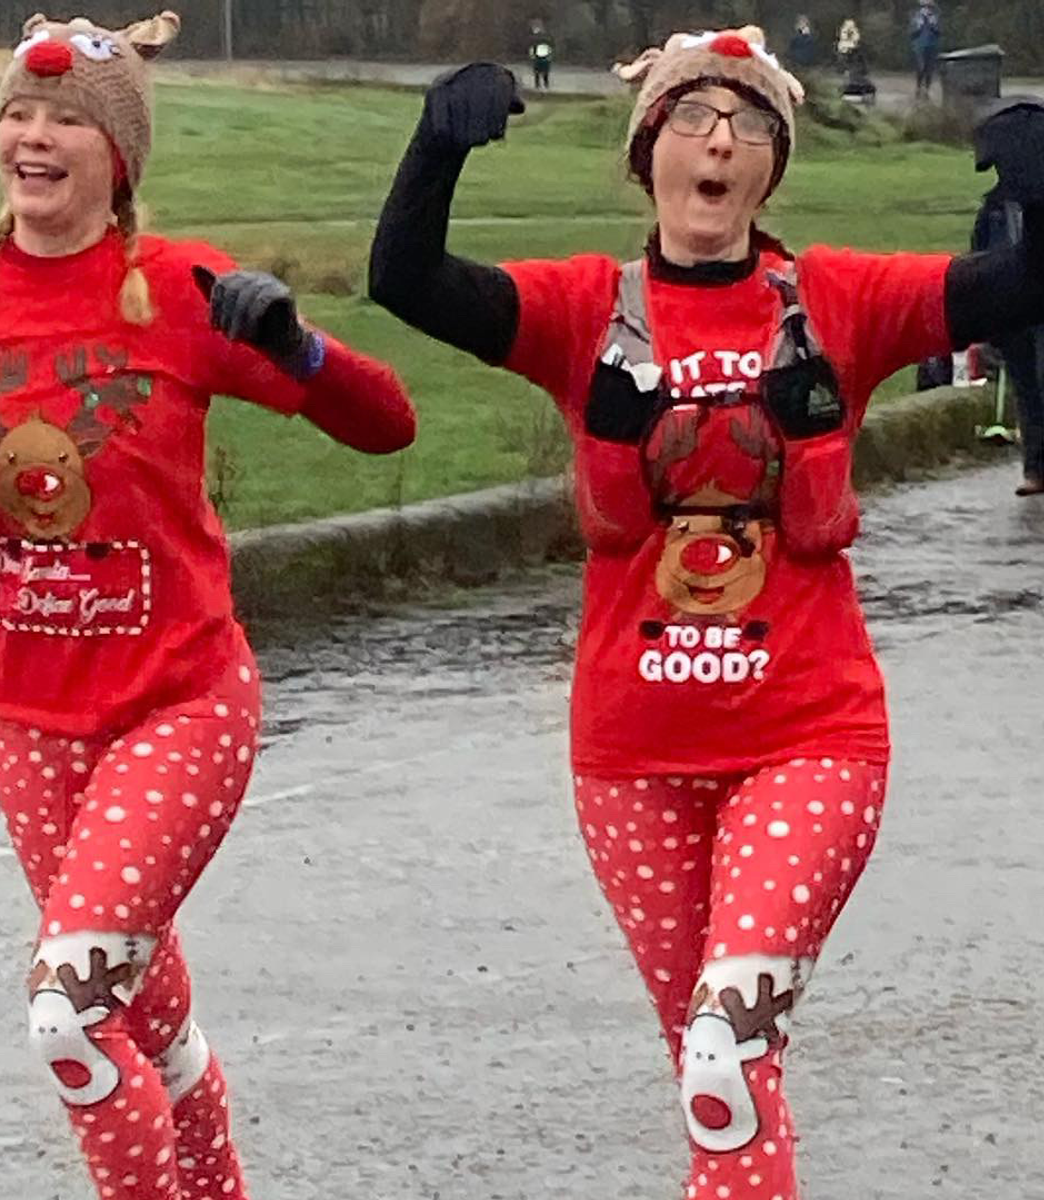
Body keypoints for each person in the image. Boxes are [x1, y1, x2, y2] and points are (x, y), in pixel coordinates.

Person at [368, 25, 1044, 1199]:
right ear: (649, 155)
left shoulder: (840, 298)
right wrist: (435, 147)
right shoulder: (584, 311)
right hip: (630, 757)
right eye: (690, 117)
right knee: (713, 1071)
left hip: (807, 739)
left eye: (745, 123)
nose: (716, 138)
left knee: (725, 1046)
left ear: (772, 163)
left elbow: (1024, 286)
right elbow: (406, 281)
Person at [0, 12, 416, 1200]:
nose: (33, 138)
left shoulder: (182, 291)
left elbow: (385, 422)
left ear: (118, 157)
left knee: (70, 1016)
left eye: (67, 121)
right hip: (32, 725)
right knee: (136, 1004)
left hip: (179, 706)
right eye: (19, 115)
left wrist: (298, 348)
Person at [974, 95, 1044, 495]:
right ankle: (1035, 467)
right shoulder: (995, 207)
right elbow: (979, 255)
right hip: (1013, 308)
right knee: (1027, 386)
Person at [910, 0, 941, 100]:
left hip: (932, 46)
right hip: (919, 46)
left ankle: (926, 90)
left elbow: (939, 32)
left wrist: (934, 26)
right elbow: (911, 33)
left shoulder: (935, 18)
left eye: (929, 7)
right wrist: (918, 27)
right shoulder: (916, 17)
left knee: (929, 70)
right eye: (925, 7)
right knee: (921, 68)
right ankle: (918, 88)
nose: (927, 9)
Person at [529, 19, 553, 91]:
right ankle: (538, 85)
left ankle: (545, 85)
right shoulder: (535, 38)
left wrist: (549, 55)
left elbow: (550, 47)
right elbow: (532, 47)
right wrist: (532, 55)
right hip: (538, 56)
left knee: (544, 73)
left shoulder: (546, 37)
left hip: (544, 56)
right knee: (537, 72)